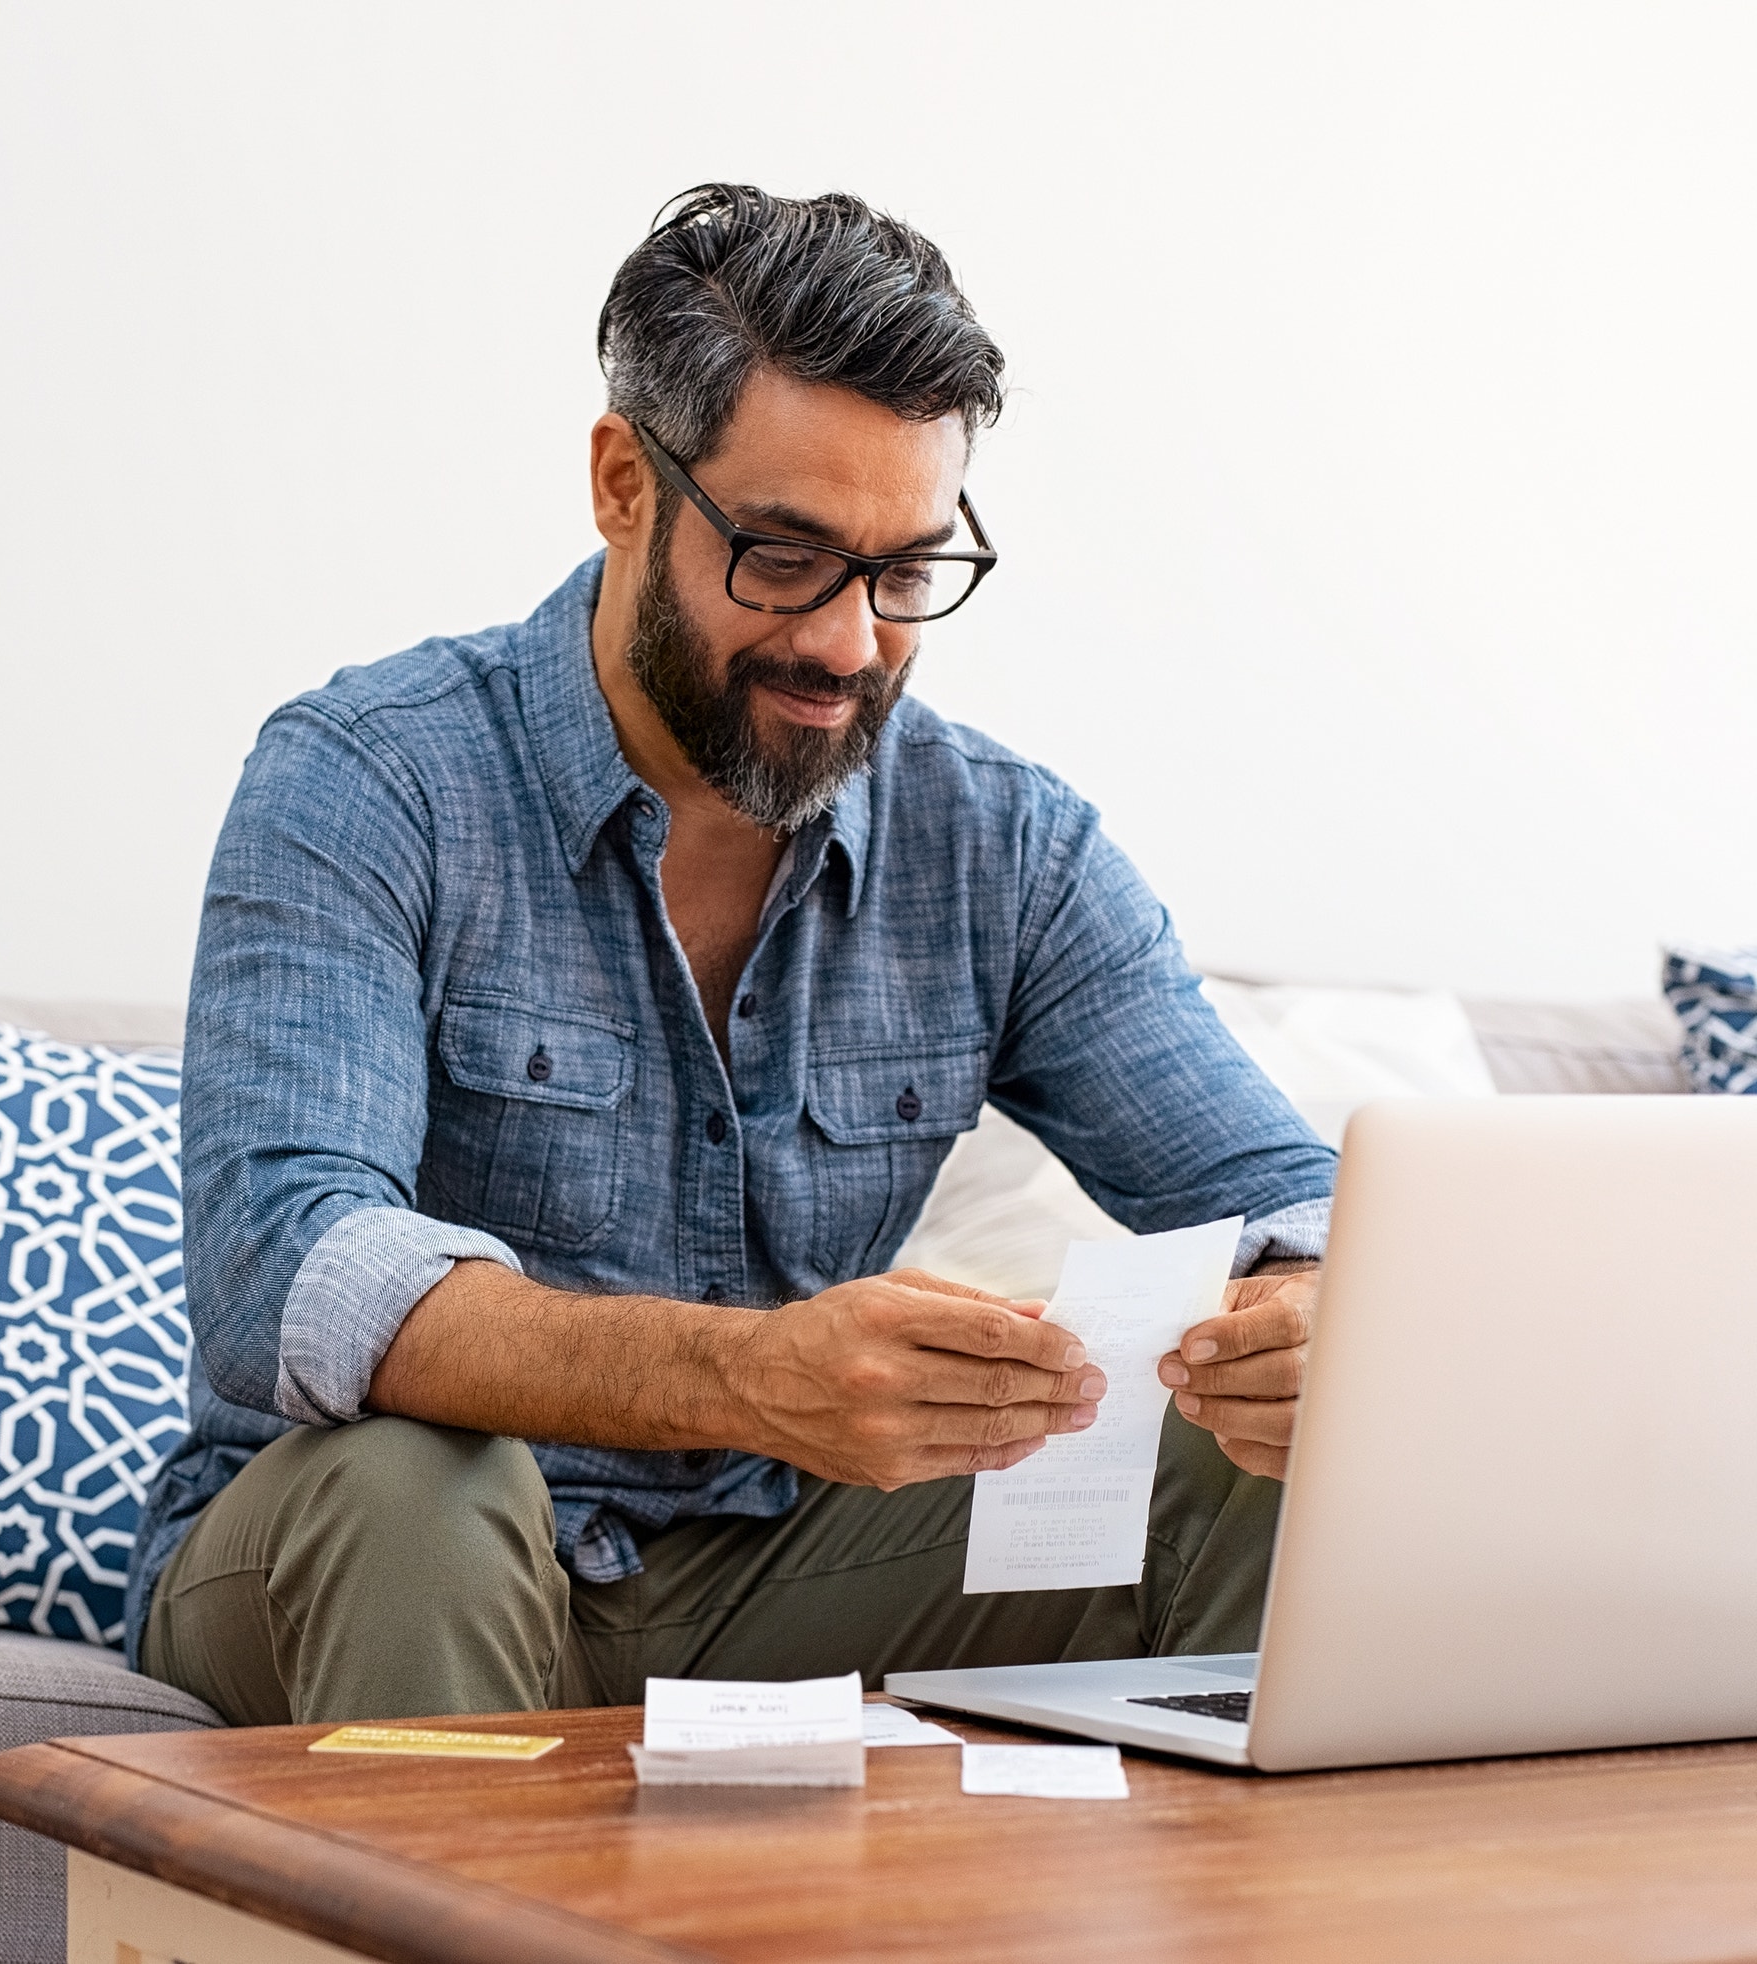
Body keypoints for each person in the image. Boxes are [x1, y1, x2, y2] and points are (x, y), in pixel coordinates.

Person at [127, 184, 1337, 1726]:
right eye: (783, 556)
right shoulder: (373, 777)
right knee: (422, 1483)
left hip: (777, 1573)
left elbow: (1295, 1201)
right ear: (625, 483)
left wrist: (1315, 1323)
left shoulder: (1004, 845)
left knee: (1269, 1459)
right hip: (360, 1564)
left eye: (905, 573)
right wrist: (749, 1374)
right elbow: (287, 1268)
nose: (846, 644)